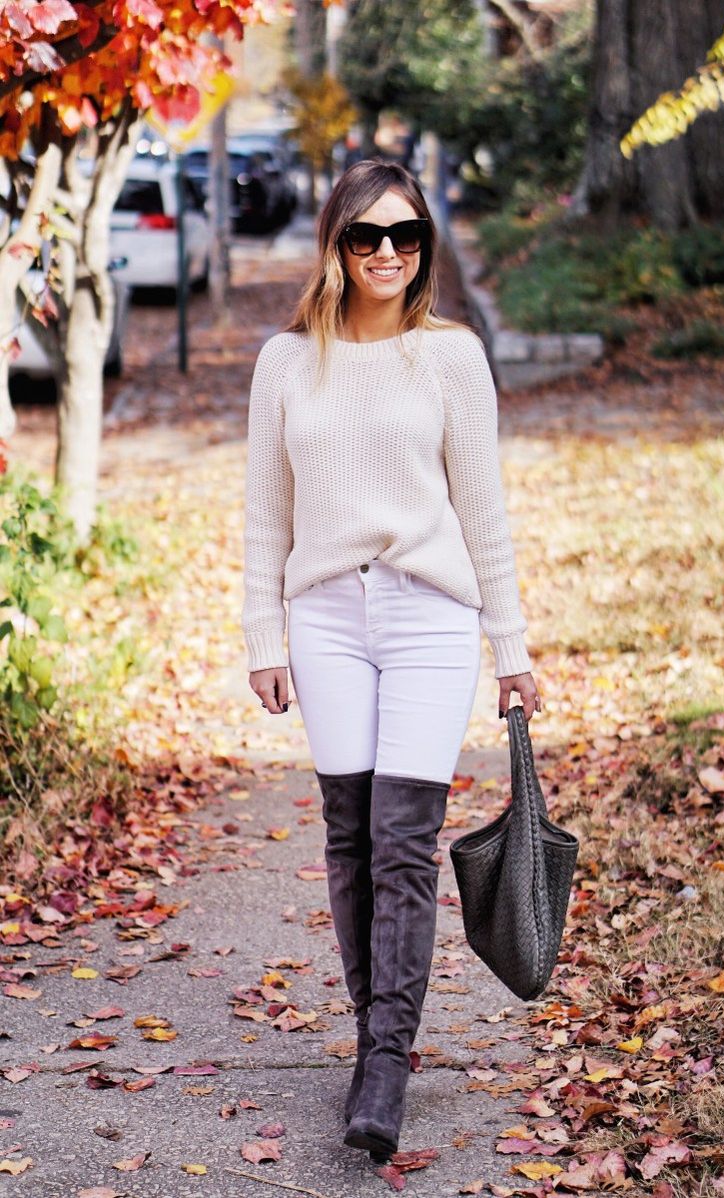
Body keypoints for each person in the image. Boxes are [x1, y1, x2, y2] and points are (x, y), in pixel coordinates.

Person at [242, 159, 541, 1163]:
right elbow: (264, 515)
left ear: (425, 246)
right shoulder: (287, 363)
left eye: (403, 236)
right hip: (326, 615)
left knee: (404, 841)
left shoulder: (449, 358)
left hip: (427, 618)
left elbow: (483, 507)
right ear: (334, 243)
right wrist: (264, 636)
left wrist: (511, 646)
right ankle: (380, 1033)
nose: (384, 253)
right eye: (363, 236)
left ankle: (383, 1061)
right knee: (350, 836)